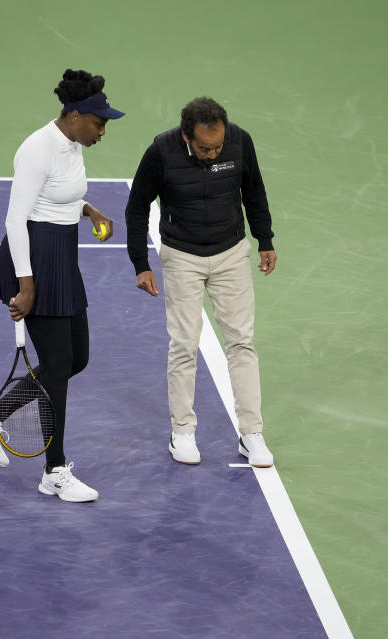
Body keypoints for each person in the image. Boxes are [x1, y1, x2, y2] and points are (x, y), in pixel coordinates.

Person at [0, 69, 124, 502]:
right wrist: (27, 286)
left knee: (75, 360)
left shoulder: (72, 143)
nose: (103, 130)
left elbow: (59, 194)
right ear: (74, 115)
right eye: (99, 122)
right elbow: (16, 218)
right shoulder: (37, 148)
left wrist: (90, 211)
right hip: (33, 261)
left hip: (62, 257)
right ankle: (54, 470)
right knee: (57, 370)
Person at [124, 96, 276, 468]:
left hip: (231, 253)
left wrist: (265, 239)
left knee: (241, 341)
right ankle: (183, 432)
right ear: (186, 136)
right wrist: (140, 264)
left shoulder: (240, 141)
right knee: (184, 344)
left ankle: (251, 434)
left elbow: (254, 192)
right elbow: (137, 207)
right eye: (205, 148)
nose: (212, 153)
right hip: (182, 257)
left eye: (217, 147)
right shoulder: (161, 151)